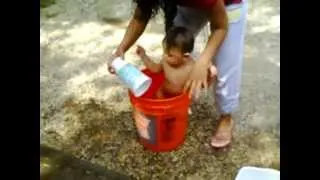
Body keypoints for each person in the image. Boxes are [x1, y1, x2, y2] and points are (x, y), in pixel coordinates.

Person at [107, 0, 248, 148]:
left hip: (227, 4)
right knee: (174, 43)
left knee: (226, 62)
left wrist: (203, 61)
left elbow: (220, 27)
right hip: (189, 4)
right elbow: (141, 15)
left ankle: (226, 117)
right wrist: (121, 49)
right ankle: (179, 101)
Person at [136, 26, 216, 99]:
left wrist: (210, 76)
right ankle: (163, 108)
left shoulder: (192, 66)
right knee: (158, 91)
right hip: (165, 91)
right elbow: (154, 68)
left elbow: (201, 85)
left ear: (185, 56)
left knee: (188, 97)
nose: (165, 56)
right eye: (165, 52)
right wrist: (143, 56)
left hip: (182, 97)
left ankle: (181, 107)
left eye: (170, 55)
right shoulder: (165, 62)